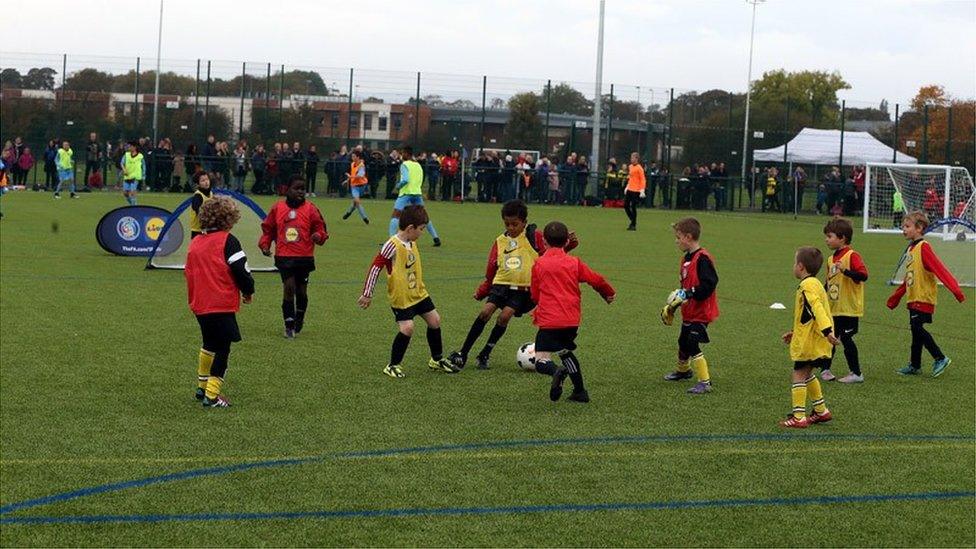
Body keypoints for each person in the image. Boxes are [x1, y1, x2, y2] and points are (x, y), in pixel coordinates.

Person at [448, 200, 578, 370]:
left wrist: (569, 244)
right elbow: (491, 268)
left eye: (515, 224)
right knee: (485, 312)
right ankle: (463, 353)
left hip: (522, 290)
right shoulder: (500, 241)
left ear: (524, 222)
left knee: (505, 316)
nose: (510, 227)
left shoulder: (535, 237)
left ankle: (485, 352)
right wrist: (482, 291)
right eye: (507, 224)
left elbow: (552, 254)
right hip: (500, 285)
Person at [358, 205, 457, 378]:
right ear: (410, 228)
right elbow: (375, 267)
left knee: (435, 320)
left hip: (418, 292)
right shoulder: (392, 244)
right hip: (401, 297)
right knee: (407, 328)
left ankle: (436, 359)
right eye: (421, 229)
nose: (423, 232)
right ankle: (393, 365)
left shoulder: (412, 241)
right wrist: (367, 293)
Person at [529, 221, 615, 402]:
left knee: (541, 361)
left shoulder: (539, 264)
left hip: (550, 320)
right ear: (567, 241)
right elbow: (596, 280)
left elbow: (535, 295)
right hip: (571, 320)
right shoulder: (574, 263)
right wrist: (607, 293)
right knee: (565, 352)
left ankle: (556, 371)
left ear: (544, 241)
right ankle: (580, 391)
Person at [185, 196, 255, 408]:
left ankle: (201, 386)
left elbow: (189, 273)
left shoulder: (195, 242)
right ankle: (212, 396)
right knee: (223, 347)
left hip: (200, 303)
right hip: (220, 302)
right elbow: (241, 270)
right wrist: (248, 290)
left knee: (209, 343)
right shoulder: (228, 240)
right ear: (228, 219)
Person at [887, 212, 966, 377]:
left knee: (917, 328)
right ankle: (915, 365)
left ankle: (940, 357)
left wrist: (955, 290)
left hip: (923, 297)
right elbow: (909, 278)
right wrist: (896, 297)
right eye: (903, 226)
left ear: (919, 228)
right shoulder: (912, 248)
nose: (904, 229)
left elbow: (939, 269)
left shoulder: (924, 247)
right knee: (915, 331)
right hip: (913, 297)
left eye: (907, 226)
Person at [259, 176, 329, 338]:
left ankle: (300, 317)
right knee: (289, 287)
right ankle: (289, 325)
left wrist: (318, 236)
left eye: (303, 189)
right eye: (296, 188)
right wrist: (265, 244)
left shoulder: (311, 209)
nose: (300, 192)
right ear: (287, 190)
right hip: (284, 256)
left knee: (301, 292)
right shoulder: (278, 208)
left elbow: (321, 228)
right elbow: (268, 229)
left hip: (304, 257)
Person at [780, 246, 839, 428]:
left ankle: (799, 417)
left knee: (798, 374)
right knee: (807, 374)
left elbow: (817, 309)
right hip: (814, 339)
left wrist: (827, 331)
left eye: (794, 263)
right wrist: (794, 332)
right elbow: (807, 315)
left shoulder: (807, 286)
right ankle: (821, 411)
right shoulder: (815, 284)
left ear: (800, 266)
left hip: (811, 342)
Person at [660, 217, 720, 394]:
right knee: (682, 342)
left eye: (678, 237)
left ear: (688, 237)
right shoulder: (686, 258)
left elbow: (710, 283)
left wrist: (689, 293)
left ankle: (705, 381)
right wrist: (674, 305)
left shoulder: (703, 259)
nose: (676, 241)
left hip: (702, 311)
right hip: (690, 310)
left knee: (692, 343)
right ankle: (683, 371)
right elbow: (684, 288)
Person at [820, 218, 868, 383]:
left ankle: (856, 373)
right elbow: (828, 282)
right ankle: (825, 369)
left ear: (842, 238)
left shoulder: (852, 255)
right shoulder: (830, 259)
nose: (827, 239)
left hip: (849, 309)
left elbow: (863, 275)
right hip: (834, 308)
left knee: (846, 339)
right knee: (830, 338)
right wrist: (819, 294)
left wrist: (846, 271)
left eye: (830, 236)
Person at [389, 146, 441, 246]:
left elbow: (406, 180)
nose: (401, 155)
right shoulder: (418, 165)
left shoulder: (404, 164)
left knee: (395, 214)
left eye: (402, 153)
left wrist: (398, 185)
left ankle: (391, 240)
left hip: (406, 193)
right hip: (417, 193)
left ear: (407, 154)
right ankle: (436, 238)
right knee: (423, 216)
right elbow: (421, 179)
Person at [341, 149, 370, 224]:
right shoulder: (352, 164)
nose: (352, 158)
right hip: (354, 187)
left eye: (353, 156)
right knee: (357, 202)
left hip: (363, 186)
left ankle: (348, 213)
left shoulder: (361, 165)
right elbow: (352, 175)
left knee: (354, 203)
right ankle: (365, 218)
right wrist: (347, 180)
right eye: (352, 156)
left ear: (358, 157)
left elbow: (360, 175)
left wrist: (350, 177)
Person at [624, 152, 646, 231]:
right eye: (631, 157)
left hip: (636, 190)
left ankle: (633, 224)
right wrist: (627, 186)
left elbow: (643, 179)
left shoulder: (639, 168)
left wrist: (642, 189)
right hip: (630, 189)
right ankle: (633, 221)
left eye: (633, 158)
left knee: (633, 207)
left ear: (636, 159)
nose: (631, 159)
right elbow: (630, 177)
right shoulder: (630, 167)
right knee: (625, 205)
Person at [189, 172, 214, 239]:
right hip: (198, 230)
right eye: (203, 181)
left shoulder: (211, 193)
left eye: (207, 179)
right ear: (198, 184)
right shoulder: (197, 196)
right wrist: (203, 227)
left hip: (208, 228)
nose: (206, 182)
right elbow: (199, 213)